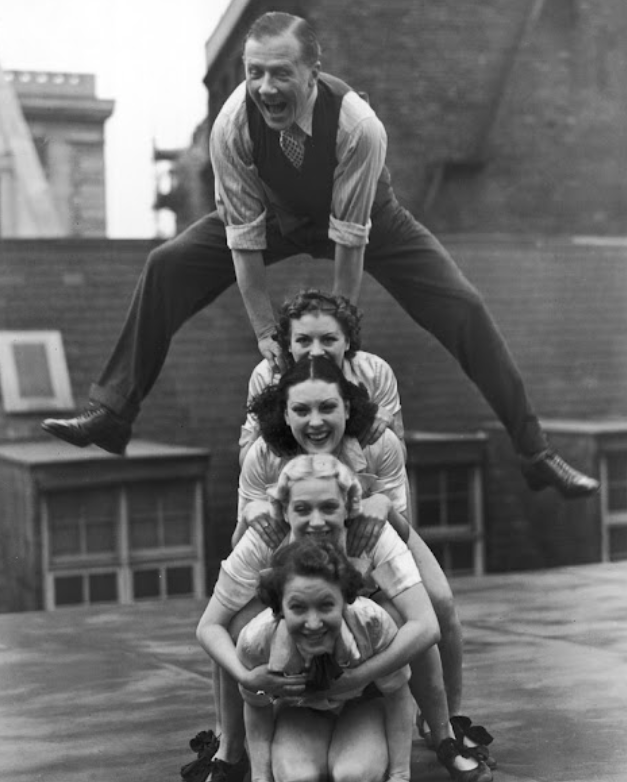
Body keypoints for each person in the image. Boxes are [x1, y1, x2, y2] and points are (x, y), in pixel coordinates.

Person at [41, 11, 598, 499]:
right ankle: (113, 414)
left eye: (281, 73)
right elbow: (243, 240)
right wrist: (265, 330)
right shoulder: (232, 125)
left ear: (311, 72)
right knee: (166, 265)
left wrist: (338, 336)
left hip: (370, 222)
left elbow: (349, 244)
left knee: (465, 307)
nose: (264, 86)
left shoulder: (359, 127)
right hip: (278, 217)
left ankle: (535, 452)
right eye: (254, 72)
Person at [196, 453, 492, 782]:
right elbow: (210, 626)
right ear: (284, 511)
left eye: (329, 508)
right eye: (303, 509)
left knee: (355, 772)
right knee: (297, 775)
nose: (317, 522)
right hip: (299, 694)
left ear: (349, 506)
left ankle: (443, 736)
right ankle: (231, 750)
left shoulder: (368, 539)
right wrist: (248, 677)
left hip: (361, 675)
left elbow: (426, 626)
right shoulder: (264, 539)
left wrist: (358, 677)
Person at [237, 538, 415, 782]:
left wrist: (400, 775)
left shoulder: (371, 622)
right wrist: (260, 777)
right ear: (279, 607)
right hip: (300, 711)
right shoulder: (256, 639)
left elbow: (398, 695)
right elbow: (256, 706)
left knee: (353, 775)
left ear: (344, 599)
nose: (313, 623)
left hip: (361, 706)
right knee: (298, 778)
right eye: (298, 607)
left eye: (326, 605)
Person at [239, 288, 406, 466]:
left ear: (347, 341)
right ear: (288, 344)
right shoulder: (267, 375)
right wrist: (266, 428)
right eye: (304, 340)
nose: (316, 352)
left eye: (328, 339)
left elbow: (400, 458)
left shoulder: (374, 372)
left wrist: (387, 427)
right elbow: (246, 460)